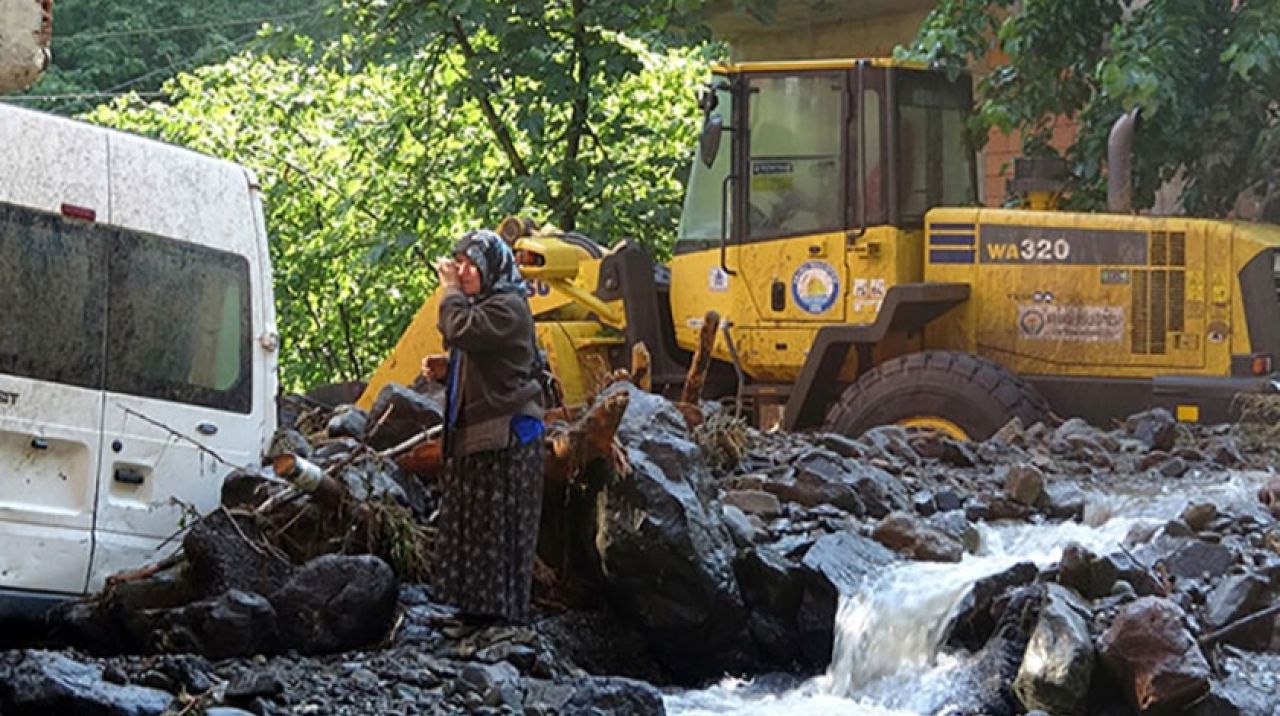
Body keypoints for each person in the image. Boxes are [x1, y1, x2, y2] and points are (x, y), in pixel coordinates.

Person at [426, 229, 545, 624]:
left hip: (507, 436)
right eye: (457, 263)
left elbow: (458, 326)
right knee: (472, 526)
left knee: (497, 529)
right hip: (481, 435)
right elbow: (491, 362)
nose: (462, 271)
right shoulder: (489, 304)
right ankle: (471, 611)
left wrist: (448, 289)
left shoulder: (508, 307)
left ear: (492, 266)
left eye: (470, 264)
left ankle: (500, 617)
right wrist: (448, 372)